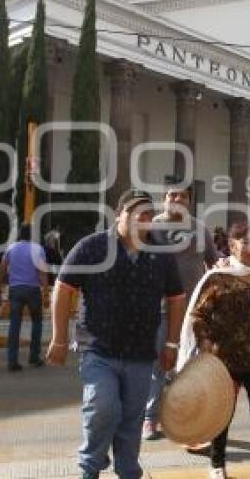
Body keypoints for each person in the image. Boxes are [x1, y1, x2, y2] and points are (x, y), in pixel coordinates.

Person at [47, 189, 185, 479]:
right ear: (119, 215)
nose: (143, 219)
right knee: (103, 406)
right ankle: (90, 466)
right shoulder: (93, 247)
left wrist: (172, 342)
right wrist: (58, 338)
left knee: (132, 419)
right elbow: (63, 288)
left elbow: (175, 298)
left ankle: (127, 470)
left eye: (148, 214)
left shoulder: (161, 255)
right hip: (98, 349)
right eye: (136, 213)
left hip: (141, 352)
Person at [180, 222, 250, 479]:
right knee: (221, 417)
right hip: (224, 361)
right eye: (246, 242)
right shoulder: (217, 277)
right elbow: (198, 315)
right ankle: (217, 465)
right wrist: (205, 343)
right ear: (232, 245)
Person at [143, 184, 217, 442]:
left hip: (195, 311)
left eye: (182, 195)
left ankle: (189, 421)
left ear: (189, 200)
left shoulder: (200, 228)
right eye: (172, 195)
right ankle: (150, 419)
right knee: (159, 364)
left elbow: (213, 264)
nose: (177, 199)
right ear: (164, 199)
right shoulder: (151, 229)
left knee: (192, 368)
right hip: (160, 310)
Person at [0, 224, 49, 371]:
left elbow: (2, 269)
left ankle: (12, 360)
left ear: (20, 235)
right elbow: (42, 272)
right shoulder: (37, 249)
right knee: (37, 323)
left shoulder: (11, 248)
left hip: (15, 290)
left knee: (14, 324)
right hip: (33, 289)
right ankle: (33, 357)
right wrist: (45, 292)